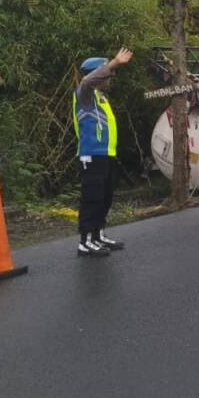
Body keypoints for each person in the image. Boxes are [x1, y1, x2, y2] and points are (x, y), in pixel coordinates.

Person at [72, 47, 132, 256]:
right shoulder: (85, 92)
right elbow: (88, 81)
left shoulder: (100, 97)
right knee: (92, 197)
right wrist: (114, 62)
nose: (109, 77)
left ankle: (98, 234)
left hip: (106, 154)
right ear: (95, 73)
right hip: (91, 154)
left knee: (105, 198)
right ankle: (85, 241)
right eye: (106, 72)